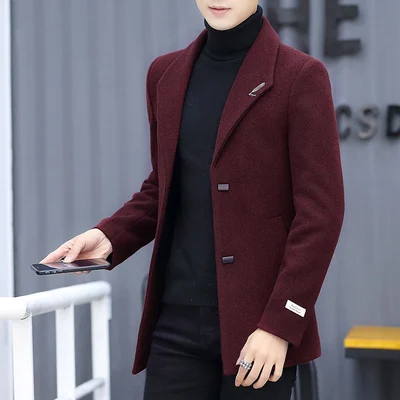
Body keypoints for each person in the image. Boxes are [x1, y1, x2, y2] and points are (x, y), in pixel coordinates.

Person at [41, 1, 345, 399]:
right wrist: (108, 237)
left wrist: (279, 326)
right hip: (176, 324)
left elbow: (321, 214)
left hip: (259, 328)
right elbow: (163, 187)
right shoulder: (164, 74)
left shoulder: (300, 75)